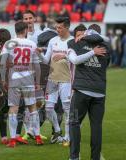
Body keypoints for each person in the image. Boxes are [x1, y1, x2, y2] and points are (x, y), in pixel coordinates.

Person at [53, 24, 109, 160]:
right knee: (96, 126)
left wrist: (90, 51)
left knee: (73, 122)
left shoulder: (75, 42)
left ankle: (74, 157)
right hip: (99, 92)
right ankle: (95, 157)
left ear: (86, 34)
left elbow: (75, 60)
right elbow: (105, 64)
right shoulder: (105, 46)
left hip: (82, 91)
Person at [0, 21, 43, 148]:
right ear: (25, 30)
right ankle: (38, 137)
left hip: (14, 80)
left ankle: (12, 140)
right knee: (32, 108)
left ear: (15, 30)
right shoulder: (31, 44)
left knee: (13, 109)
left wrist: (3, 79)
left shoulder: (9, 43)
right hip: (28, 80)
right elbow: (37, 65)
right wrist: (38, 82)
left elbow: (2, 63)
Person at [38, 16, 73, 147]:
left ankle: (68, 137)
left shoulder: (73, 41)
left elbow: (76, 60)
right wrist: (39, 54)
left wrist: (65, 56)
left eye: (60, 27)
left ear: (67, 27)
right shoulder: (53, 41)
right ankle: (58, 130)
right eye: (56, 27)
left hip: (66, 80)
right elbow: (46, 60)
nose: (57, 30)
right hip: (52, 79)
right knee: (48, 108)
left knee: (67, 109)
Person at [21, 10, 47, 141]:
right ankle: (28, 131)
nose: (28, 21)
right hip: (24, 73)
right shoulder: (20, 36)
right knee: (26, 103)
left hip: (38, 71)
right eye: (25, 19)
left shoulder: (41, 34)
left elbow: (45, 51)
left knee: (39, 102)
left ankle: (34, 130)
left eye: (30, 18)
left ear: (34, 19)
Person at [0, 28, 12, 145]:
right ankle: (9, 136)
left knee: (5, 111)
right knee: (7, 111)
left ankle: (5, 136)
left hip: (5, 84)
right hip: (6, 85)